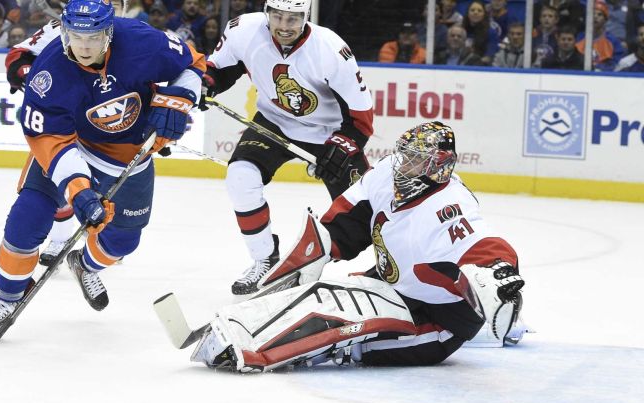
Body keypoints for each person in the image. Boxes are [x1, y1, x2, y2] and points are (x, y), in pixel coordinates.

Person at [190, 122, 527, 372]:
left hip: (440, 319)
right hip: (394, 281)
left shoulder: (449, 205)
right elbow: (348, 220)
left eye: (415, 160)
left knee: (353, 335)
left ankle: (263, 352)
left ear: (438, 166)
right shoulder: (386, 173)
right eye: (405, 155)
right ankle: (239, 325)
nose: (403, 164)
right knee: (327, 294)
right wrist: (321, 249)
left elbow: (484, 246)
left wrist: (498, 269)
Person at [0, 0, 205, 341]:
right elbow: (50, 139)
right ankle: (5, 300)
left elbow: (193, 63)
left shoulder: (141, 40)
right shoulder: (49, 72)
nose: (84, 47)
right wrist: (79, 191)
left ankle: (85, 265)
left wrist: (177, 100)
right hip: (74, 144)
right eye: (77, 37)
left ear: (109, 33)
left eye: (93, 38)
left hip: (128, 152)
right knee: (27, 216)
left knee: (123, 240)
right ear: (65, 33)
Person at [201, 0, 374, 295]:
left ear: (306, 17)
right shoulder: (244, 30)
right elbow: (218, 68)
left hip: (329, 132)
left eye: (292, 19)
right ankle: (264, 258)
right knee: (240, 177)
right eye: (277, 16)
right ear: (266, 13)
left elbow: (361, 117)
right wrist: (205, 85)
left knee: (367, 209)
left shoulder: (330, 49)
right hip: (274, 121)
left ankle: (391, 268)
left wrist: (343, 145)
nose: (283, 26)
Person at [575, 1, 626, 71]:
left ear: (605, 20)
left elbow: (616, 64)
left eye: (599, 14)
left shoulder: (613, 41)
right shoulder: (579, 37)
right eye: (593, 14)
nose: (595, 17)